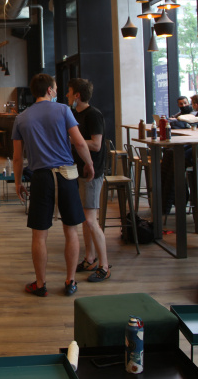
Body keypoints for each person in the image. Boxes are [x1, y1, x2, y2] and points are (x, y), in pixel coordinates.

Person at [13, 74, 95, 297]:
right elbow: (79, 142)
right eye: (56, 87)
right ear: (49, 90)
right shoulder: (63, 110)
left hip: (40, 177)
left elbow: (18, 158)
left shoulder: (21, 118)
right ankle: (70, 281)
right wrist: (89, 164)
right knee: (71, 230)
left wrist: (18, 182)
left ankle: (40, 284)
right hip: (67, 175)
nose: (58, 90)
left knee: (39, 234)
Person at [66, 78, 111, 282]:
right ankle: (89, 258)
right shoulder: (75, 114)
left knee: (91, 221)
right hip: (80, 171)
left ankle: (104, 266)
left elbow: (96, 144)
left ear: (77, 95)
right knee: (85, 219)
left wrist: (75, 140)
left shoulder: (93, 114)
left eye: (69, 92)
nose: (66, 95)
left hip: (93, 172)